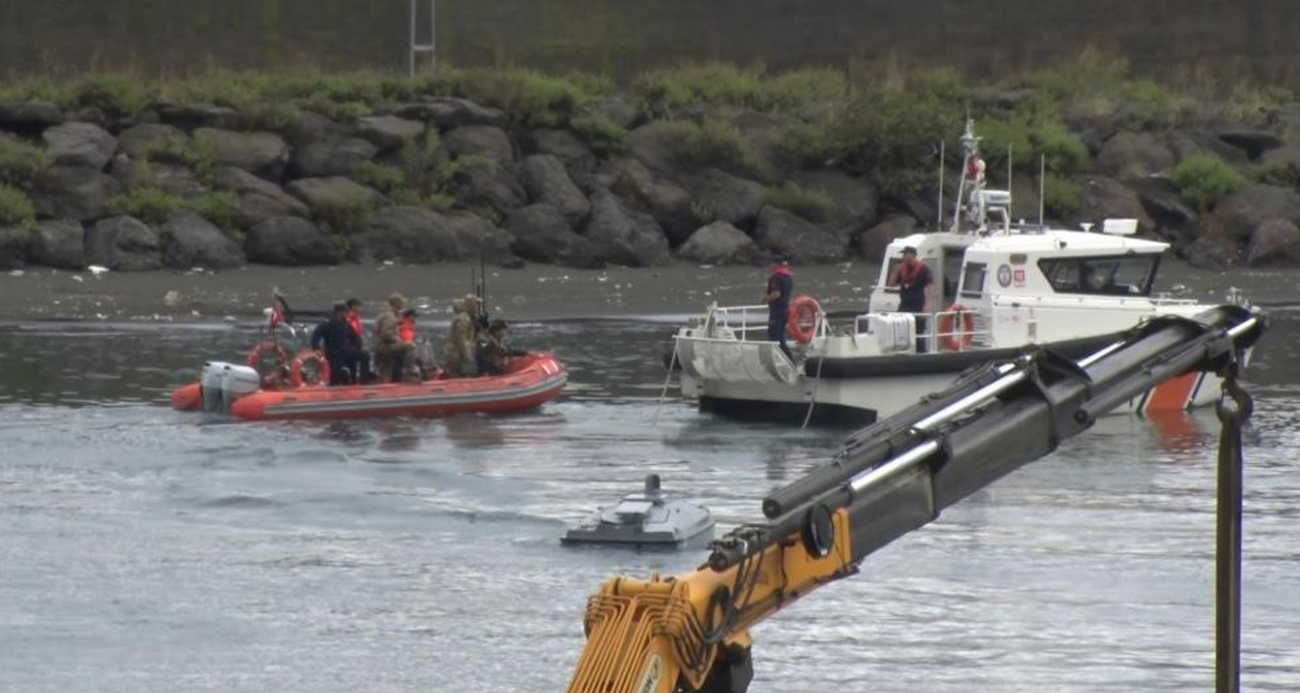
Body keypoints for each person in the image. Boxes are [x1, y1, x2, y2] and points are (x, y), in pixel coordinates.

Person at [311, 302, 372, 385]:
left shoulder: (346, 323)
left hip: (346, 350)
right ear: (340, 312)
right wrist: (316, 348)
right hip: (333, 352)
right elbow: (316, 335)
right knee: (335, 371)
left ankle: (363, 380)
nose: (348, 314)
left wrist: (360, 346)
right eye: (346, 312)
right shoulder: (327, 323)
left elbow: (354, 337)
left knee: (365, 355)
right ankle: (334, 384)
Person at [893, 246, 934, 351]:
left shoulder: (923, 269)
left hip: (917, 305)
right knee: (900, 329)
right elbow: (891, 283)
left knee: (918, 332)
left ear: (911, 255)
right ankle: (903, 351)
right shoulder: (901, 269)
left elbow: (930, 286)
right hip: (904, 304)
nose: (903, 257)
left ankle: (921, 354)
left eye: (905, 254)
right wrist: (895, 271)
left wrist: (928, 304)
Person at [373, 293, 417, 383]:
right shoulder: (390, 316)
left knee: (385, 372)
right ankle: (410, 374)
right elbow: (386, 334)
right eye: (401, 302)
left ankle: (382, 383)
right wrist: (398, 340)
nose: (403, 304)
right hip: (384, 347)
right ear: (396, 303)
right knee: (410, 346)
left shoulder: (385, 314)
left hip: (379, 346)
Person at [762, 254, 794, 361]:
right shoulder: (788, 276)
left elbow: (776, 294)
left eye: (771, 264)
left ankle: (789, 360)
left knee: (775, 336)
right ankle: (784, 359)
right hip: (785, 309)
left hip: (777, 311)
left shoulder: (776, 277)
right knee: (779, 335)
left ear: (775, 265)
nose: (769, 266)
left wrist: (765, 298)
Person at [444, 294, 481, 378]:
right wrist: (468, 357)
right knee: (458, 378)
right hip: (457, 355)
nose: (477, 307)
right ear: (470, 305)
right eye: (476, 304)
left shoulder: (466, 317)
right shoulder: (464, 319)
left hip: (458, 354)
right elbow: (462, 340)